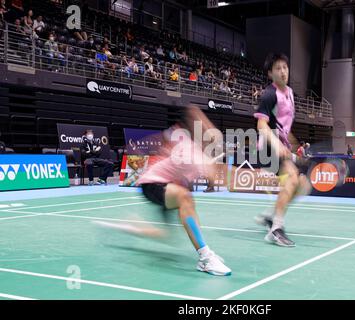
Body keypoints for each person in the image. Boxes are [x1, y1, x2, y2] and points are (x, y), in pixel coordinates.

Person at [98, 106, 231, 276]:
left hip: (167, 187)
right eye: (205, 127)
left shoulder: (194, 149)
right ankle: (205, 257)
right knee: (185, 198)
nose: (209, 130)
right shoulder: (190, 149)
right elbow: (214, 180)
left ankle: (123, 228)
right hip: (152, 184)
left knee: (166, 234)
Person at [253, 53, 311, 247]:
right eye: (277, 68)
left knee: (303, 185)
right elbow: (262, 125)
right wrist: (277, 144)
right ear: (270, 73)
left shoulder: (290, 93)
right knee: (293, 178)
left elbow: (284, 126)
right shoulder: (269, 94)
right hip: (268, 147)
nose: (283, 71)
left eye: (285, 67)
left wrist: (295, 146)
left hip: (281, 145)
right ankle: (276, 229)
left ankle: (270, 215)